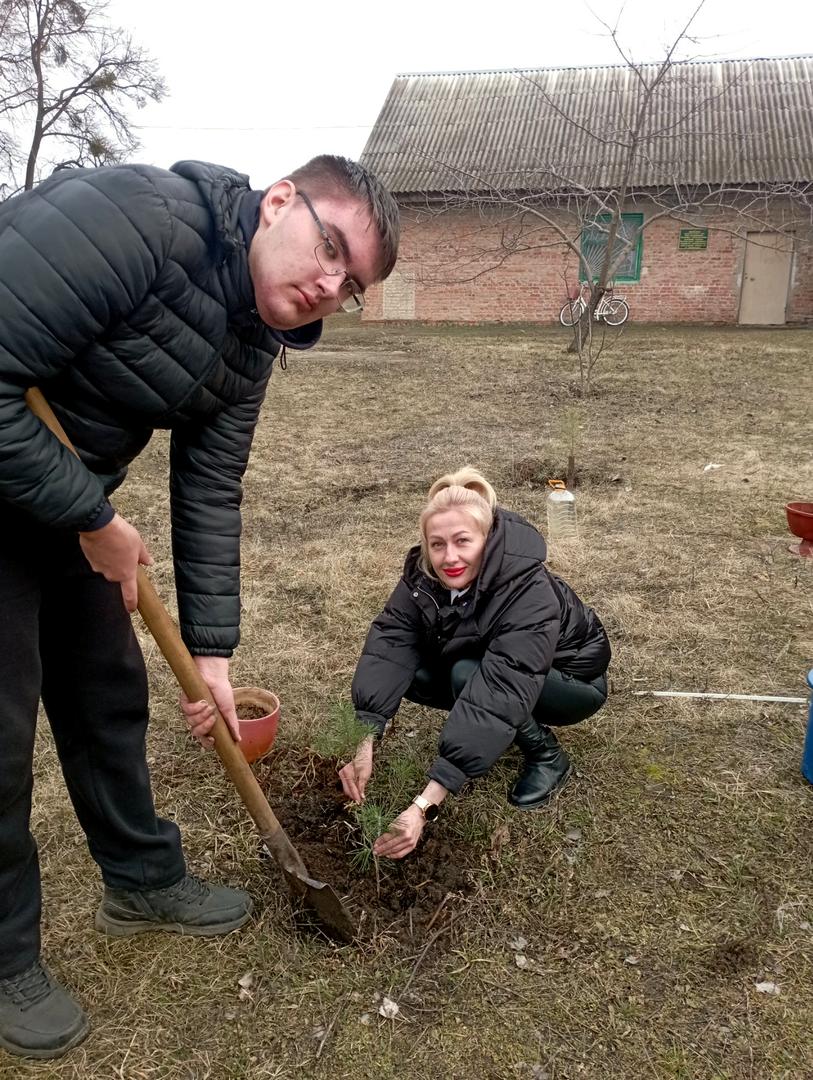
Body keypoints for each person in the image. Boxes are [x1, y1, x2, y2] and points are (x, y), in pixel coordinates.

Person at [0, 154, 399, 1059]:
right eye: (330, 249)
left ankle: (141, 880)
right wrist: (94, 518)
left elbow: (211, 487)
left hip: (64, 499)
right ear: (279, 202)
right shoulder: (134, 219)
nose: (330, 286)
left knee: (107, 697)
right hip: (35, 486)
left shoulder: (253, 338)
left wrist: (212, 655)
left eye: (350, 285)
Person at [340, 468, 610, 860]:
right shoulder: (424, 574)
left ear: (488, 538)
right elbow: (391, 643)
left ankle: (548, 757)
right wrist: (365, 738)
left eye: (463, 541)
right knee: (414, 672)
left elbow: (503, 686)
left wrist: (423, 806)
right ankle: (495, 732)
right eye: (437, 544)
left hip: (574, 682)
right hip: (502, 669)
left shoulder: (527, 589)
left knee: (468, 674)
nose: (449, 557)